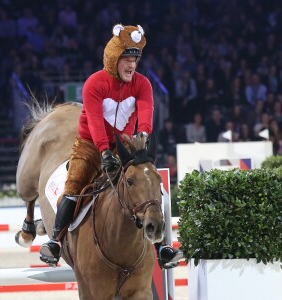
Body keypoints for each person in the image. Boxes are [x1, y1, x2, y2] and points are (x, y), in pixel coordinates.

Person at [40, 24, 183, 269]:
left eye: (135, 60)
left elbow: (146, 112)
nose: (132, 65)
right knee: (74, 186)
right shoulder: (94, 83)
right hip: (89, 145)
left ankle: (162, 248)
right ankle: (55, 241)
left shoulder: (143, 84)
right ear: (114, 58)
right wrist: (104, 151)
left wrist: (143, 136)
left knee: (151, 189)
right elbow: (95, 121)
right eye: (127, 59)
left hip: (124, 145)